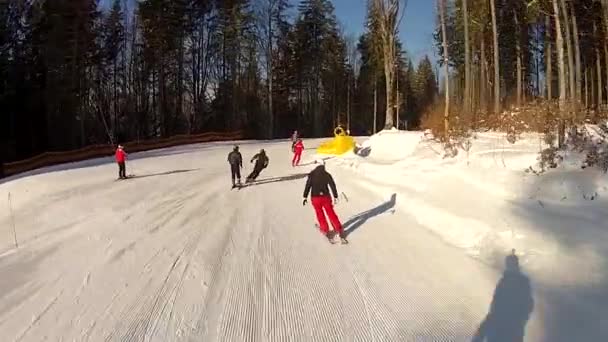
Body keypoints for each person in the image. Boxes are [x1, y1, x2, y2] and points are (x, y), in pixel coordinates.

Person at [302, 160, 347, 244]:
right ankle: (339, 229)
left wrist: (305, 197)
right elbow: (332, 185)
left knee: (320, 213)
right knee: (331, 213)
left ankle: (325, 229)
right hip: (326, 197)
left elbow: (308, 186)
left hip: (315, 198)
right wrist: (335, 196)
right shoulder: (327, 175)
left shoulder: (312, 175)